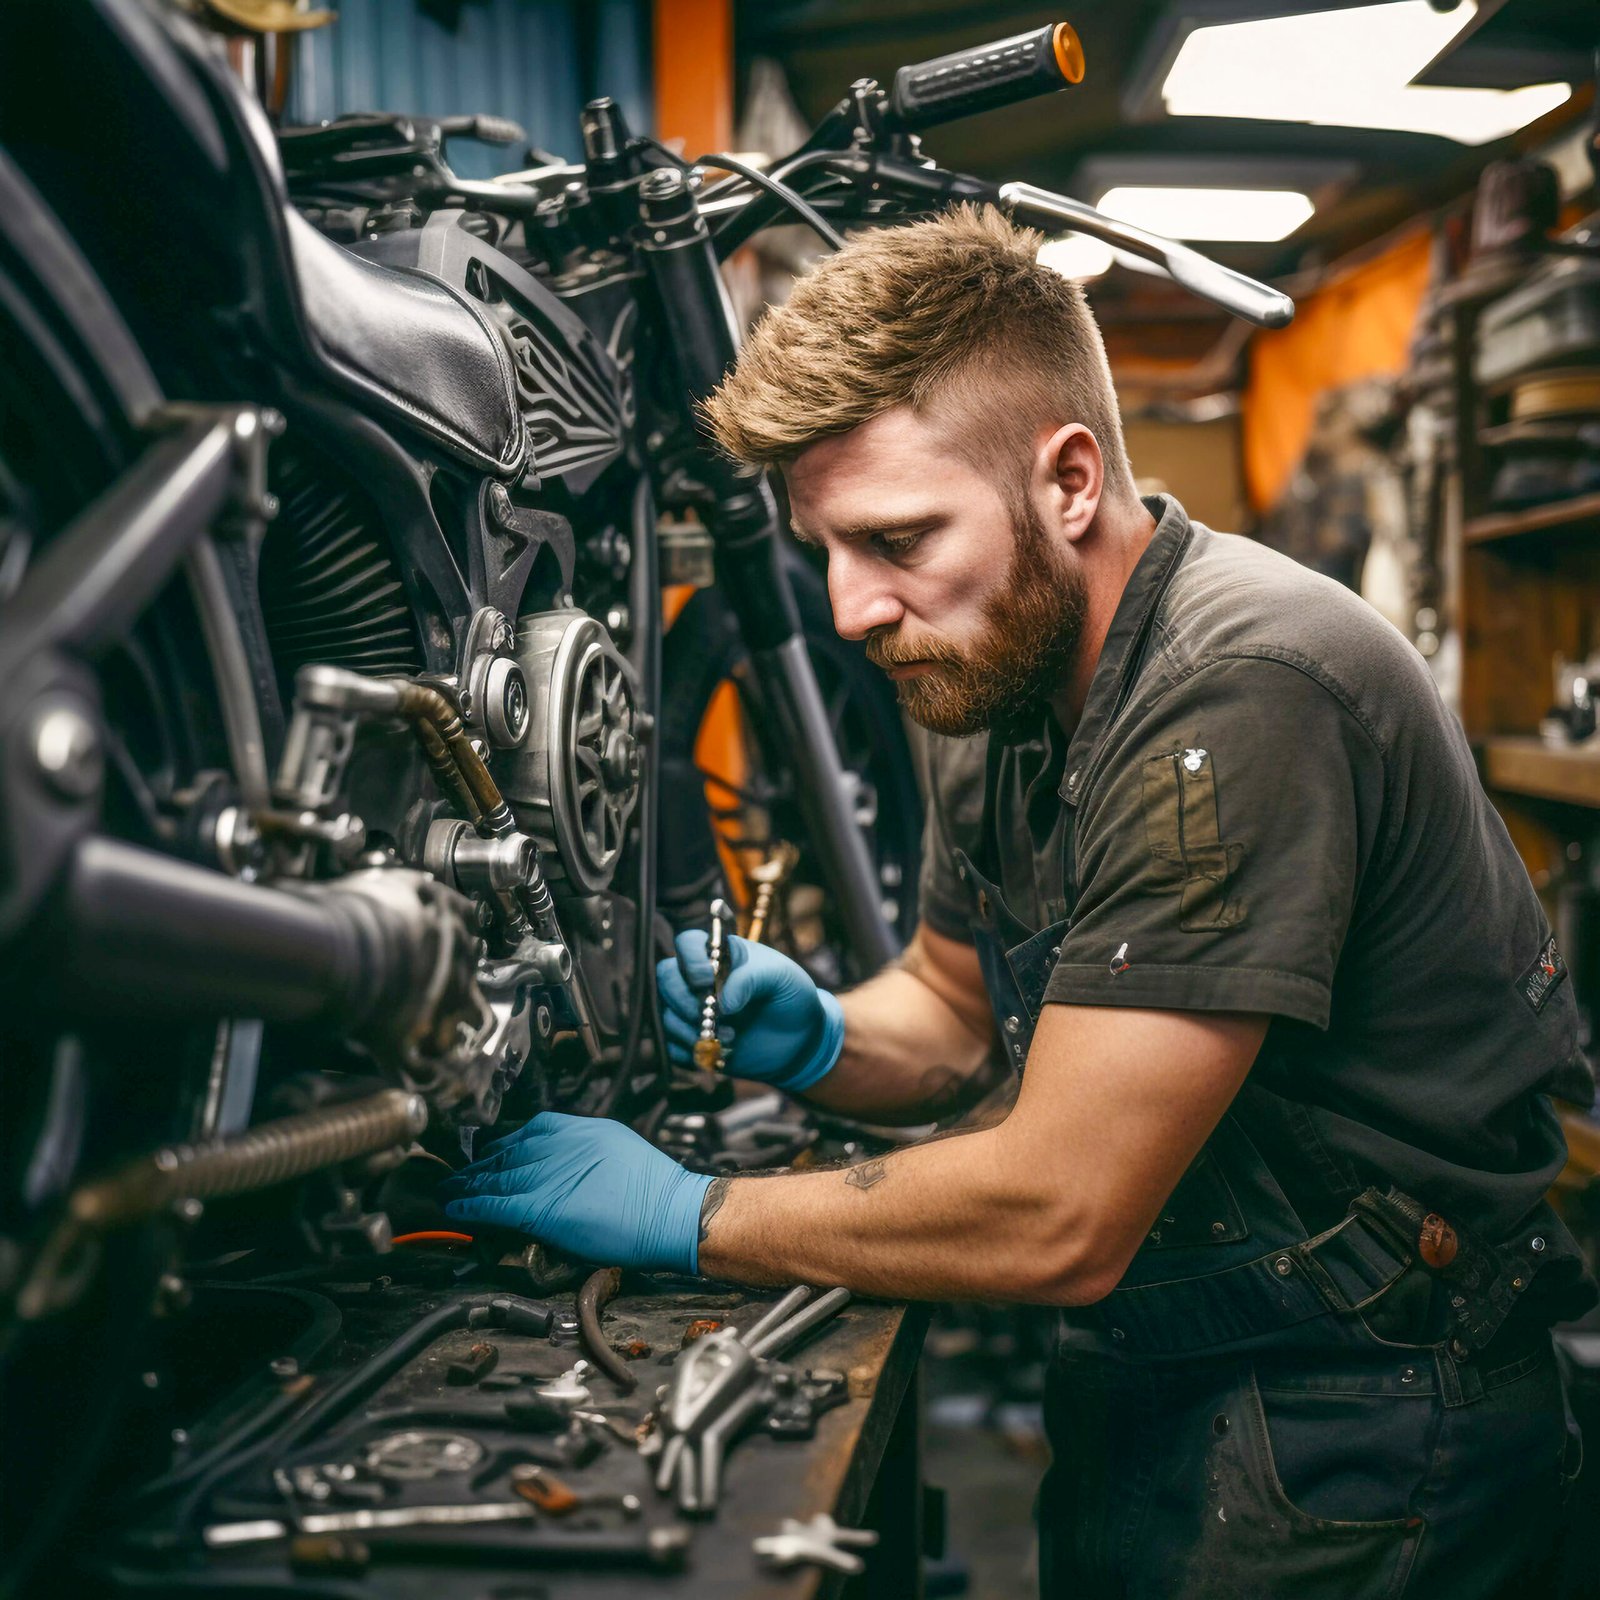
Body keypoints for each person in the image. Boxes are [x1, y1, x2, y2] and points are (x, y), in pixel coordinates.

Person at [442, 205, 1593, 1596]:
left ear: (1067, 480)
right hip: (1162, 1363)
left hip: (1373, 1409)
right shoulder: (990, 671)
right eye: (826, 548)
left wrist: (696, 1213)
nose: (854, 607)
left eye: (898, 538)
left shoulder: (1242, 688)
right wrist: (816, 1035)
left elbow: (1060, 1206)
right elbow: (948, 1006)